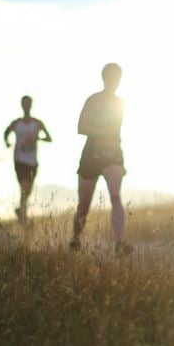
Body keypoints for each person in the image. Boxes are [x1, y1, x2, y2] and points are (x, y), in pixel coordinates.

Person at [70, 63, 129, 253]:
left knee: (115, 195)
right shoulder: (93, 100)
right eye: (110, 77)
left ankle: (120, 243)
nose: (114, 81)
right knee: (84, 205)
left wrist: (110, 137)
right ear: (103, 78)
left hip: (113, 153)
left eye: (117, 77)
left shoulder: (121, 102)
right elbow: (81, 127)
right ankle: (76, 239)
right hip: (91, 155)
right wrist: (102, 132)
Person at [3, 95, 53, 224]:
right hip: (19, 160)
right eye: (24, 104)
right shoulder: (16, 123)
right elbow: (6, 133)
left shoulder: (37, 123)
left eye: (28, 104)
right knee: (24, 187)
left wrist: (38, 138)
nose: (26, 106)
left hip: (33, 162)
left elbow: (49, 138)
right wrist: (7, 143)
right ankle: (23, 216)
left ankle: (21, 211)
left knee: (28, 190)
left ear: (31, 105)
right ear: (22, 105)